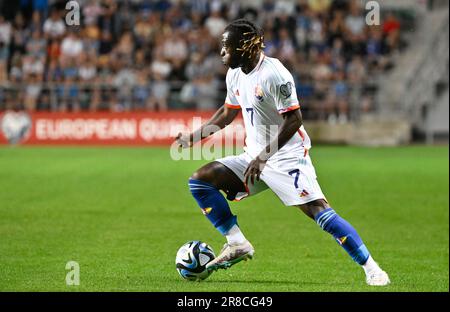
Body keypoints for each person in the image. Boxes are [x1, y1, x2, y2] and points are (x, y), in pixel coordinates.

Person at [175, 19, 390, 286]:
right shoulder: (235, 74)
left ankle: (372, 269)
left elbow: (294, 119)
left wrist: (264, 156)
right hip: (253, 158)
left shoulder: (274, 74)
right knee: (200, 180)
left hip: (286, 157)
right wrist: (194, 137)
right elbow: (227, 114)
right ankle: (237, 243)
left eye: (226, 46)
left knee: (319, 212)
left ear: (244, 48)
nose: (222, 52)